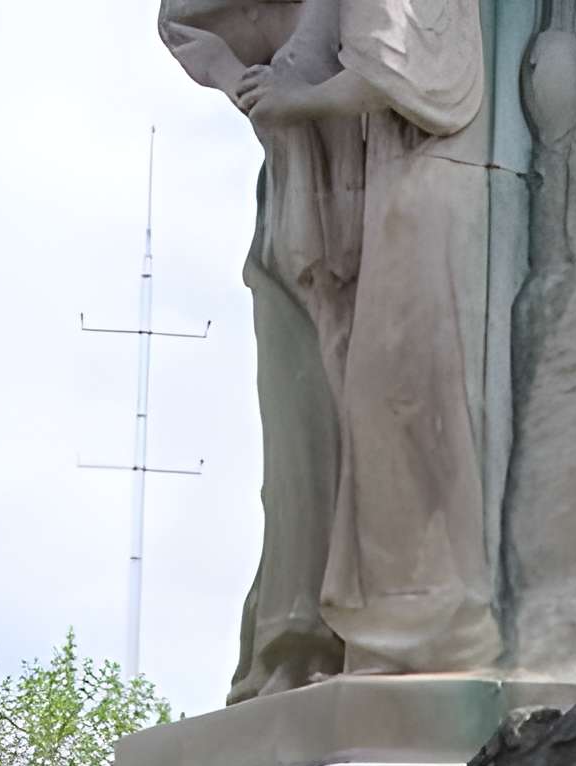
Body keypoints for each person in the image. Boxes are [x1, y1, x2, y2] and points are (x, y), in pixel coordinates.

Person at [242, 0, 501, 674]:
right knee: (383, 406)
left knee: (402, 403)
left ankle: (427, 617)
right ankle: (401, 611)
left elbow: (408, 70)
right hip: (398, 186)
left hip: (423, 187)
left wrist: (302, 100)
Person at [159, 1, 349, 699]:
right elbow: (184, 20)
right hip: (308, 212)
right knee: (306, 444)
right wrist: (240, 75)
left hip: (392, 206)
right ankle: (297, 633)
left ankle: (313, 632)